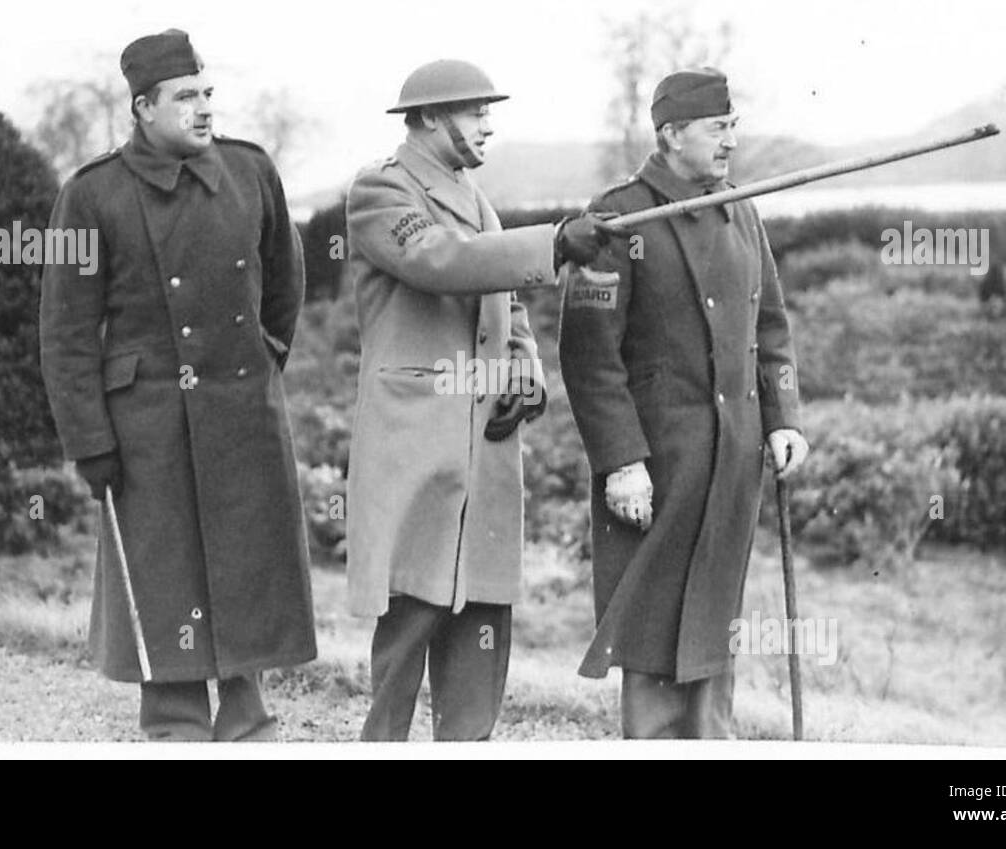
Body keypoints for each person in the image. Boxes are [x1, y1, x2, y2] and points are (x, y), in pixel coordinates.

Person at [39, 29, 315, 741]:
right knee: (168, 574)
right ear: (143, 108)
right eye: (185, 97)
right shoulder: (91, 194)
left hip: (241, 409)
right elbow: (67, 332)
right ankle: (176, 720)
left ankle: (248, 712)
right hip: (148, 425)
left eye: (207, 93)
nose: (203, 108)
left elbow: (286, 281)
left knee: (247, 559)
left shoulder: (251, 172)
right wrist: (89, 441)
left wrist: (259, 359)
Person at [345, 59, 608, 741]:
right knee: (410, 616)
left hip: (484, 444)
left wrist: (526, 365)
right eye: (474, 112)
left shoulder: (474, 195)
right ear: (429, 117)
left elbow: (506, 301)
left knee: (481, 621)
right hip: (418, 436)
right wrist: (554, 242)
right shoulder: (381, 190)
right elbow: (442, 261)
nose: (488, 124)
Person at [558, 68, 809, 739]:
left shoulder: (742, 209)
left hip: (734, 460)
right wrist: (620, 462)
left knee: (712, 619)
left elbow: (771, 329)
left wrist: (783, 421)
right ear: (671, 134)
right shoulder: (619, 216)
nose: (733, 138)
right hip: (658, 468)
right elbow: (590, 356)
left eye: (734, 124)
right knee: (656, 622)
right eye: (717, 127)